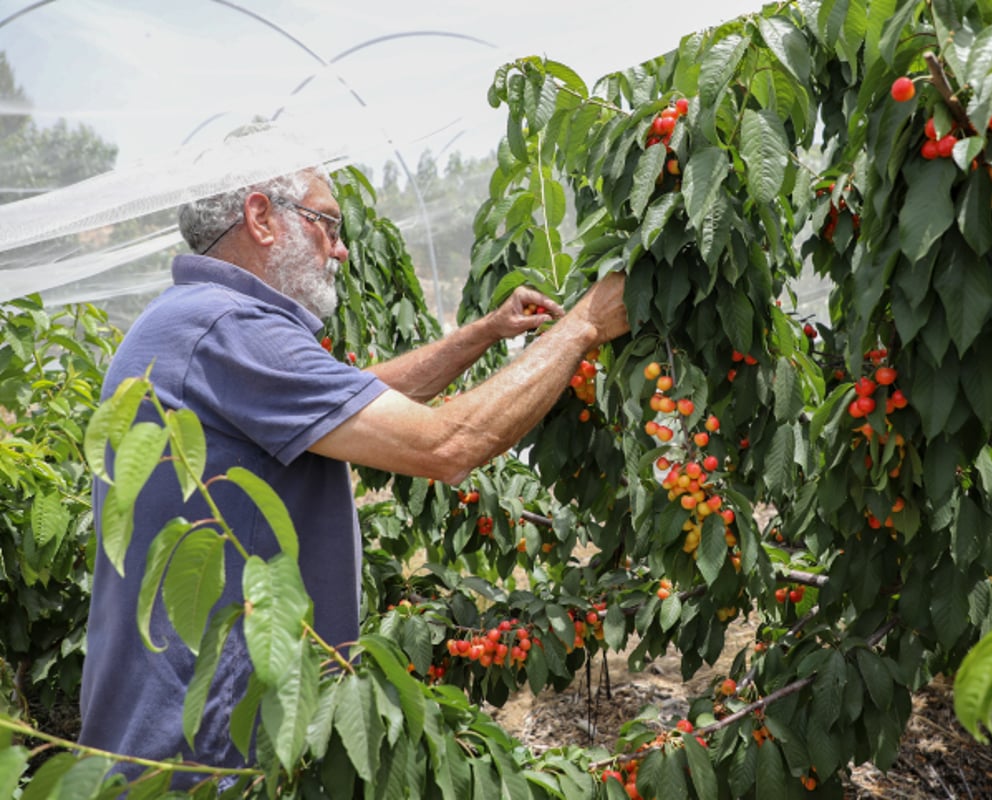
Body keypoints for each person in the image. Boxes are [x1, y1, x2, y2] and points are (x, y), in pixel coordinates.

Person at [78, 151, 628, 783]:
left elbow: (348, 397)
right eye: (326, 224)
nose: (340, 250)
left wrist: (478, 335)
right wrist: (585, 323)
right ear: (261, 216)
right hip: (209, 756)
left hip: (154, 735)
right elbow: (450, 445)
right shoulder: (231, 327)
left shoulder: (186, 318)